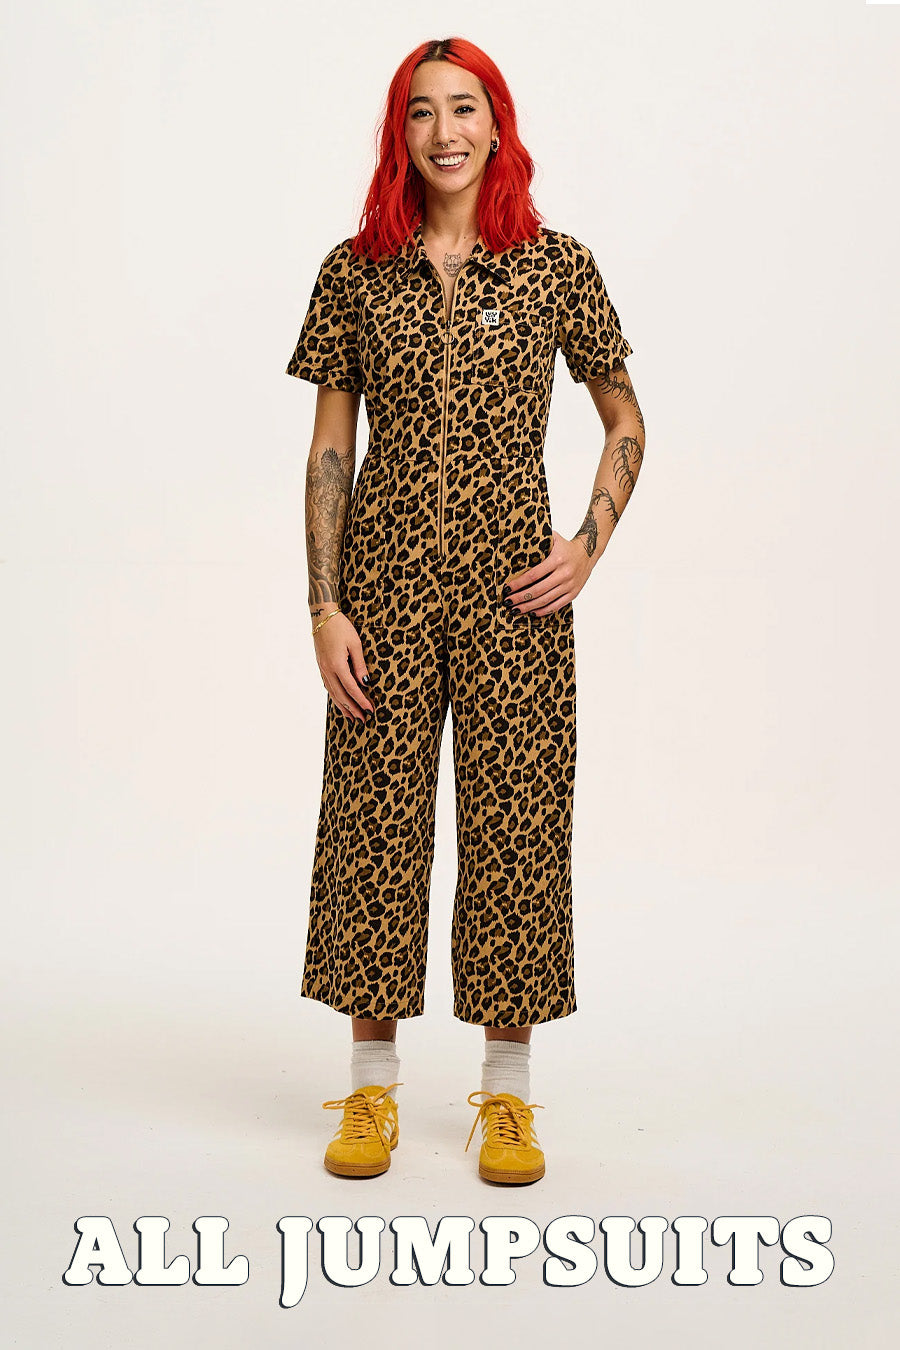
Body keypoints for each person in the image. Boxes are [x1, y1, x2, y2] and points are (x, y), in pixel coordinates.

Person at [284, 36, 644, 1185]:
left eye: (465, 109)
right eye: (422, 111)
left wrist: (584, 546)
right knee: (374, 830)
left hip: (514, 599)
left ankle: (508, 1097)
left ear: (498, 124)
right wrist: (324, 606)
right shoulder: (356, 273)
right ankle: (371, 1089)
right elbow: (331, 446)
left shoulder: (555, 266)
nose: (445, 132)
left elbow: (626, 417)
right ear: (400, 132)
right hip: (384, 591)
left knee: (516, 830)